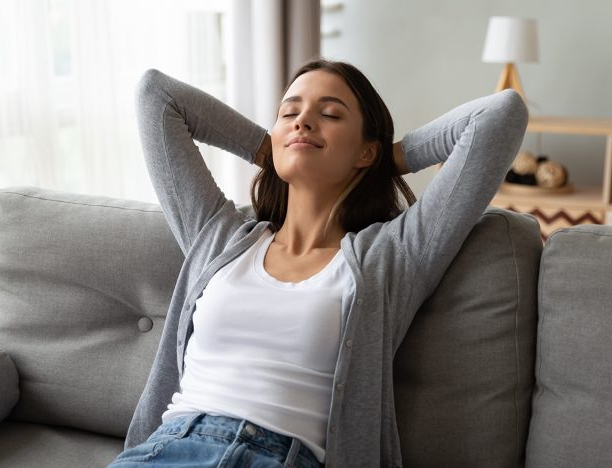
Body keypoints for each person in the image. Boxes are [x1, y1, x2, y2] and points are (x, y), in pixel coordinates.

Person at [108, 59, 528, 468]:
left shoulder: (393, 255)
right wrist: (267, 147)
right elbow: (156, 96)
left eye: (329, 114)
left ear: (365, 150)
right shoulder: (217, 238)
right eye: (289, 112)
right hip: (168, 450)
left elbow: (501, 114)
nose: (303, 121)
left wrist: (388, 160)